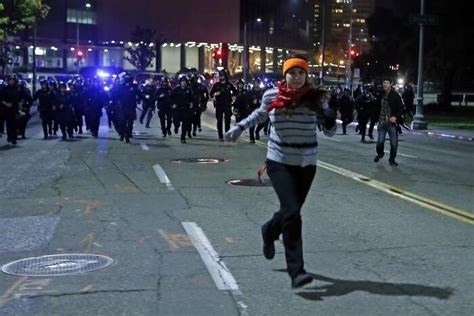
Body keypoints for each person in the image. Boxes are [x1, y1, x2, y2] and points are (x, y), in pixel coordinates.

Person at [224, 55, 337, 288]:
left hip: (307, 162)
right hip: (279, 161)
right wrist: (239, 127)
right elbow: (260, 115)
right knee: (293, 212)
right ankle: (297, 271)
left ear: (307, 76)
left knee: (289, 211)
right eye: (292, 73)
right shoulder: (272, 96)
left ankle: (269, 230)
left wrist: (329, 120)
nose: (296, 77)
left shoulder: (316, 99)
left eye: (301, 73)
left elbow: (330, 132)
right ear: (284, 75)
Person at [373, 78, 404, 166]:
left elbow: (401, 108)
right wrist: (375, 119)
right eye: (384, 83)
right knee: (380, 142)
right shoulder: (380, 95)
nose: (385, 85)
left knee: (394, 143)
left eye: (387, 83)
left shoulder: (395, 95)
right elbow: (375, 108)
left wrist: (396, 117)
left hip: (392, 124)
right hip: (382, 122)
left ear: (391, 84)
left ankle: (392, 160)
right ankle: (380, 153)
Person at [210, 69, 236, 141]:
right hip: (219, 104)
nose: (221, 77)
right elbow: (211, 94)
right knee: (219, 120)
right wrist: (215, 94)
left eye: (222, 76)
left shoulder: (229, 85)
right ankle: (220, 136)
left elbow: (235, 92)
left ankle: (227, 133)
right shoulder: (216, 85)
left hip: (227, 104)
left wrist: (233, 96)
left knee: (227, 119)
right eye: (220, 76)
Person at [171, 76, 194, 143]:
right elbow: (171, 98)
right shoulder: (176, 90)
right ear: (180, 82)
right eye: (182, 82)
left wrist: (191, 103)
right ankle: (176, 126)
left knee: (185, 124)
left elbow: (192, 99)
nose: (183, 83)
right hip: (177, 109)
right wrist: (173, 104)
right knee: (176, 120)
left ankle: (183, 137)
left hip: (185, 109)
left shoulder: (189, 90)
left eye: (185, 82)